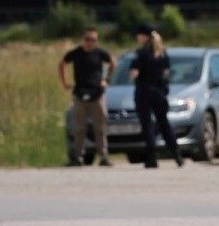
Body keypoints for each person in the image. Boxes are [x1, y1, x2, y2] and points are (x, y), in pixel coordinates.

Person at [128, 25, 184, 169]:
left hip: (144, 92)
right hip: (159, 93)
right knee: (164, 123)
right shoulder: (162, 52)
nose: (137, 38)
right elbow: (166, 73)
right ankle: (177, 154)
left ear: (145, 36)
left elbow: (134, 73)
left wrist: (133, 74)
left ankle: (152, 158)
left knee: (147, 125)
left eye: (139, 35)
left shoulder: (141, 53)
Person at [59, 26, 115, 167]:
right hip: (80, 94)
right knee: (79, 128)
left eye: (93, 40)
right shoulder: (75, 53)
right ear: (82, 39)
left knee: (100, 127)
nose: (90, 42)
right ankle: (77, 157)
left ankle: (103, 156)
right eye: (88, 39)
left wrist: (106, 80)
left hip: (97, 94)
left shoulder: (100, 53)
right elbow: (62, 64)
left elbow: (113, 63)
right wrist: (65, 83)